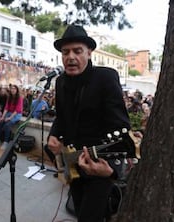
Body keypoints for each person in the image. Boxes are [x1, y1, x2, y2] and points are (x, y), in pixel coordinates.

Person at [47, 25, 132, 222]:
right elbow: (61, 116)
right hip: (73, 163)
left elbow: (120, 128)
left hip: (99, 166)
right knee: (79, 211)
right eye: (65, 52)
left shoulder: (106, 77)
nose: (70, 57)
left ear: (89, 52)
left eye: (77, 51)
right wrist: (53, 134)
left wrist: (110, 170)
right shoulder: (60, 82)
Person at [0, 84, 23, 150]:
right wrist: (3, 117)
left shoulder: (19, 98)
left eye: (14, 89)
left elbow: (17, 110)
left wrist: (9, 118)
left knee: (8, 125)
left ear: (17, 90)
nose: (13, 90)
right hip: (9, 113)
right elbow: (6, 108)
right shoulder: (9, 97)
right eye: (12, 88)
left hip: (16, 114)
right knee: (0, 122)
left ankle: (6, 142)